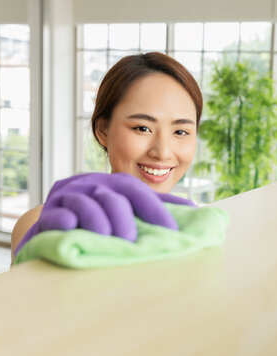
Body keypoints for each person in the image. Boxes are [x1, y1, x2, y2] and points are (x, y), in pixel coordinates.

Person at [11, 52, 203, 262]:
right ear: (103, 130)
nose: (162, 152)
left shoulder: (196, 228)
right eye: (142, 128)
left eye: (181, 132)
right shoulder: (41, 224)